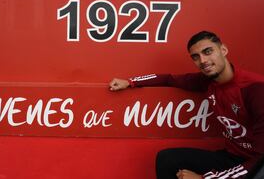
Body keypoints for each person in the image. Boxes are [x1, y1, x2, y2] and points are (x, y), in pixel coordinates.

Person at [109, 31, 264, 179]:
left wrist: (205, 178)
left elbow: (260, 159)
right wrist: (130, 82)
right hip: (232, 157)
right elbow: (168, 79)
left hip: (257, 166)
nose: (203, 61)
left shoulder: (255, 89)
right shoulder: (208, 81)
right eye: (196, 57)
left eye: (208, 51)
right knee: (168, 159)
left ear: (223, 50)